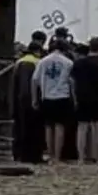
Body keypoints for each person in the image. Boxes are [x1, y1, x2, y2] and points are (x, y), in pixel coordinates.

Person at [69, 38, 98, 164]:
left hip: (82, 97)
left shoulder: (78, 63)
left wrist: (75, 97)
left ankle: (81, 158)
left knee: (82, 128)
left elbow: (72, 82)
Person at [32, 38, 75, 166]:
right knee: (59, 127)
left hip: (47, 97)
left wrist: (35, 98)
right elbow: (71, 82)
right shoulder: (68, 62)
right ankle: (57, 157)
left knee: (48, 127)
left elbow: (35, 80)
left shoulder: (43, 61)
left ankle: (50, 155)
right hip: (62, 96)